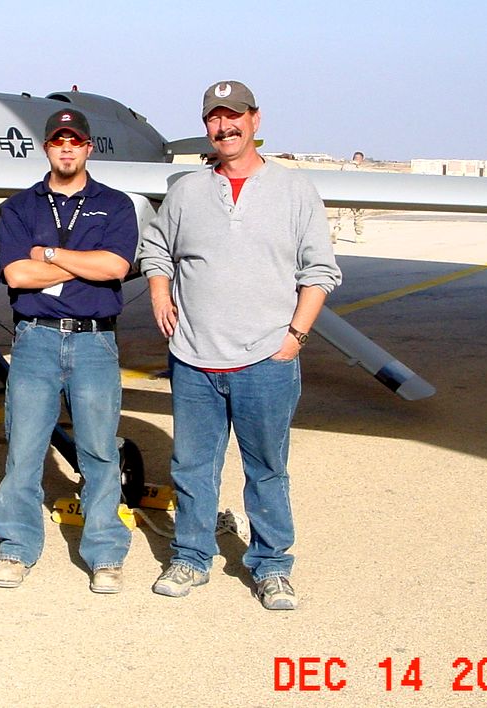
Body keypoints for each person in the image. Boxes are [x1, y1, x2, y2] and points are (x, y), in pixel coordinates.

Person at [138, 81, 342, 609]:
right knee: (191, 466)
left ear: (255, 120)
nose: (224, 127)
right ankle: (191, 556)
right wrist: (160, 293)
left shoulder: (294, 190)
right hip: (194, 359)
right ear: (206, 125)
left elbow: (320, 270)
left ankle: (272, 566)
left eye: (234, 117)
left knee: (266, 469)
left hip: (265, 360)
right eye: (214, 118)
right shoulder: (186, 190)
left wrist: (294, 337)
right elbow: (156, 248)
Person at [0, 108, 137, 593]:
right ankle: (15, 546)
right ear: (47, 147)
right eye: (58, 141)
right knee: (25, 448)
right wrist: (84, 265)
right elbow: (16, 275)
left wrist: (49, 255)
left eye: (75, 141)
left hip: (96, 340)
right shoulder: (19, 208)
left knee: (98, 449)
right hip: (36, 339)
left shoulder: (115, 205)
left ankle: (105, 553)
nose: (67, 148)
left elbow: (116, 266)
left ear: (88, 147)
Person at [330, 151, 365, 243]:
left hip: (345, 194)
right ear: (361, 159)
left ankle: (336, 230)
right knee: (358, 216)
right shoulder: (360, 170)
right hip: (357, 195)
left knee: (343, 215)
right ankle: (359, 236)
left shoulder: (345, 167)